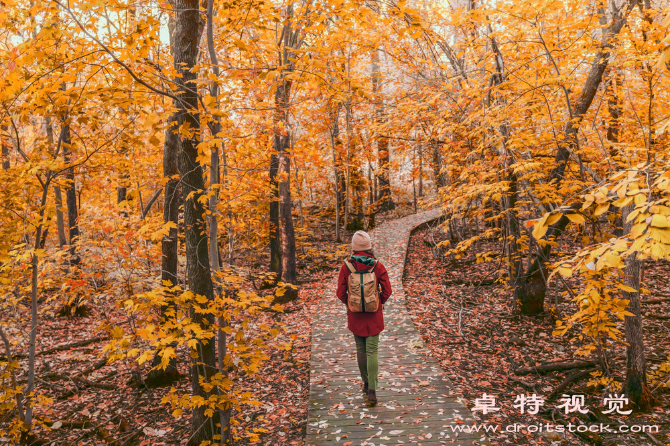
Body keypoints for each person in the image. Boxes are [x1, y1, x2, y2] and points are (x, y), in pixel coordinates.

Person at [336, 230, 393, 405]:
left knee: (361, 350)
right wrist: (378, 302)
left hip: (355, 316)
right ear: (369, 247)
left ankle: (366, 382)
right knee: (372, 351)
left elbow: (340, 293)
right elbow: (388, 291)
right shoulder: (378, 266)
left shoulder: (347, 266)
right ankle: (373, 390)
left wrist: (351, 305)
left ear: (353, 248)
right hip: (374, 315)